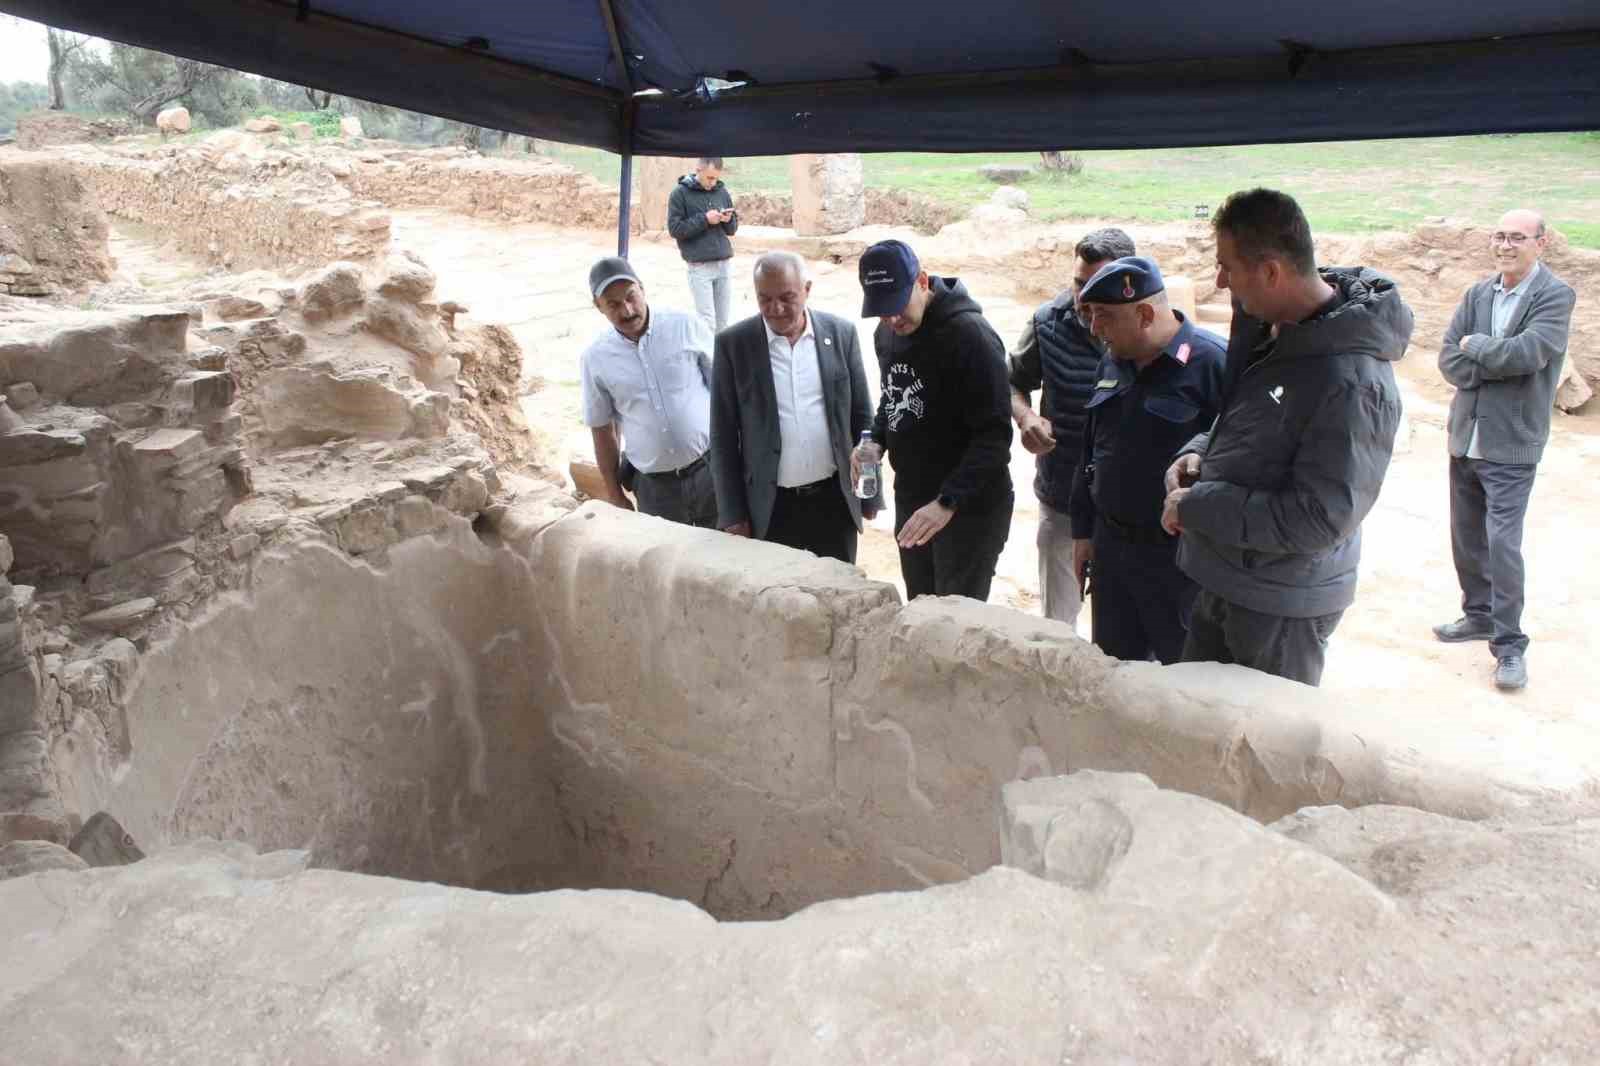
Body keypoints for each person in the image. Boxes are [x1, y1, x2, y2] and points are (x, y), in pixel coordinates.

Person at [1160, 188, 1413, 686]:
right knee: (1194, 737)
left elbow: (1319, 518)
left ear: (1271, 271)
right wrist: (1198, 454)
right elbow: (1247, 418)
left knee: (1263, 753)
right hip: (1228, 574)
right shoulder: (1273, 326)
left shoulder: (1352, 382)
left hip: (1279, 603)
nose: (1218, 280)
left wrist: (1198, 506)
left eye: (1227, 267)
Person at [1434, 208, 1576, 691]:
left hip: (1512, 443)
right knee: (1466, 536)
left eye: (1517, 237)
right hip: (1465, 437)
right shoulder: (1478, 293)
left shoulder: (1555, 295)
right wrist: (1487, 355)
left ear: (1542, 242)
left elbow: (1529, 354)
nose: (1505, 246)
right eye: (1499, 236)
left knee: (1502, 545)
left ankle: (1510, 644)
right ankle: (1477, 615)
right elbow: (1449, 358)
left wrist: (1480, 348)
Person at [1070, 256, 1226, 664]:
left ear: (1143, 314)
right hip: (1112, 552)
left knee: (1185, 679)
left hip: (1176, 561)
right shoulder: (1112, 359)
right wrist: (1083, 531)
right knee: (1112, 672)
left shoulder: (1213, 365)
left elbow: (1238, 459)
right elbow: (1090, 449)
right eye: (1090, 314)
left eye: (1103, 316)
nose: (1093, 327)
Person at [852, 239, 1014, 600]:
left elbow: (994, 438)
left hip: (968, 508)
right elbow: (893, 397)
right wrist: (876, 440)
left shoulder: (971, 336)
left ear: (922, 282)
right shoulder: (888, 332)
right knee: (922, 607)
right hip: (913, 498)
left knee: (954, 622)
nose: (892, 320)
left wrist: (946, 502)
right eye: (881, 311)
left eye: (897, 306)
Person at [709, 252, 881, 562]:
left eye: (787, 297)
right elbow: (722, 436)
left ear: (807, 289)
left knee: (836, 594)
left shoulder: (841, 334)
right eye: (765, 299)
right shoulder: (734, 345)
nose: (776, 309)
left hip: (834, 501)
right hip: (770, 508)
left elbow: (862, 418)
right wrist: (732, 513)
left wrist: (870, 491)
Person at [1009, 227, 1136, 626]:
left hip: (1128, 511)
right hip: (1061, 495)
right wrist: (1027, 417)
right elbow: (1011, 380)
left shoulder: (1147, 330)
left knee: (1125, 629)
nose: (1083, 298)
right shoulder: (1047, 321)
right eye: (1079, 282)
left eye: (1097, 286)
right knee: (1056, 628)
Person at [579, 256, 718, 527]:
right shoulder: (596, 358)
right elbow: (602, 430)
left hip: (710, 474)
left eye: (631, 297)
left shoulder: (686, 326)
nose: (628, 310)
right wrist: (614, 493)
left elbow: (725, 393)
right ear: (598, 307)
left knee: (727, 555)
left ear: (642, 289)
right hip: (655, 489)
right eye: (613, 304)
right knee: (667, 563)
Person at [667, 156, 739, 333]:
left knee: (723, 323)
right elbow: (675, 229)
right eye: (709, 178)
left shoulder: (722, 192)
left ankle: (721, 360)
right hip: (699, 268)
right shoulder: (679, 194)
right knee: (707, 323)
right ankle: (707, 360)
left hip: (723, 265)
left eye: (716, 178)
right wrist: (705, 219)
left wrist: (728, 220)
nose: (713, 182)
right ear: (698, 170)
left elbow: (732, 230)